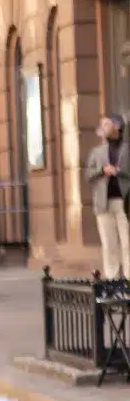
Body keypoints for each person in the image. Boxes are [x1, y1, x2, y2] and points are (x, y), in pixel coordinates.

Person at [86, 115, 130, 279]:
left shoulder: (127, 149)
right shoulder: (96, 152)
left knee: (127, 243)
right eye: (101, 124)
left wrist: (119, 171)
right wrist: (102, 171)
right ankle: (112, 280)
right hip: (103, 203)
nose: (102, 127)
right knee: (109, 244)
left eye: (106, 124)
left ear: (117, 127)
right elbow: (88, 175)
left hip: (124, 202)